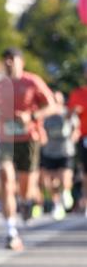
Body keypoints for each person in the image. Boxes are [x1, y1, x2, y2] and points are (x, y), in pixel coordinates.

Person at [0, 47, 57, 250]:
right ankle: (10, 230)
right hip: (5, 140)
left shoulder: (32, 82)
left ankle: (26, 203)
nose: (9, 63)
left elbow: (51, 106)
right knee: (6, 179)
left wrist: (32, 117)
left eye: (12, 59)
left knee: (26, 187)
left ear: (21, 62)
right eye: (6, 60)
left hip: (29, 139)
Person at [40, 90, 80, 219]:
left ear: (62, 101)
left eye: (58, 100)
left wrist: (74, 137)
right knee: (52, 182)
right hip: (50, 151)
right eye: (54, 100)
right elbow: (41, 128)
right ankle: (57, 204)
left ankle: (66, 193)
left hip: (65, 150)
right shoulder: (46, 115)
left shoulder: (67, 113)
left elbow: (76, 128)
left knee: (65, 177)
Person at [67, 65, 87, 214]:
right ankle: (85, 201)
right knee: (85, 172)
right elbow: (68, 117)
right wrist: (74, 112)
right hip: (84, 137)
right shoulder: (77, 94)